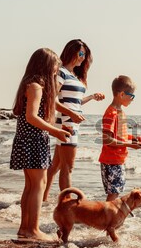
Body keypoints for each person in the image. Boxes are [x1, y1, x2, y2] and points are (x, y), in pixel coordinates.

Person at [10, 48, 71, 241]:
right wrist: (55, 131)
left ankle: (24, 228)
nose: (57, 68)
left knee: (31, 185)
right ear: (45, 65)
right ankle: (33, 229)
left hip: (28, 139)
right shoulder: (36, 86)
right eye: (55, 64)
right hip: (33, 139)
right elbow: (31, 116)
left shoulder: (31, 84)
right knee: (38, 184)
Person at [43, 39, 105, 201]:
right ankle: (67, 205)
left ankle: (42, 199)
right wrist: (73, 114)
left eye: (85, 55)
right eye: (81, 54)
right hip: (66, 123)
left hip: (71, 121)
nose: (83, 58)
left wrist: (91, 97)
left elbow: (75, 102)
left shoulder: (75, 76)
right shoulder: (62, 72)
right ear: (71, 52)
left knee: (56, 166)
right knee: (67, 168)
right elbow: (52, 100)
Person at [99, 75, 141, 201]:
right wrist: (130, 145)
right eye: (132, 96)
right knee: (113, 196)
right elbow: (107, 139)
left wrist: (133, 138)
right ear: (122, 94)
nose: (132, 99)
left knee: (115, 193)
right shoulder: (111, 113)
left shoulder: (120, 112)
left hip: (117, 161)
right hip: (111, 161)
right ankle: (109, 220)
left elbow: (119, 136)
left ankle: (111, 220)